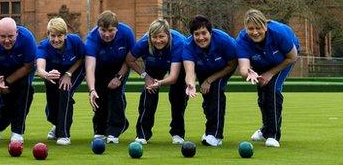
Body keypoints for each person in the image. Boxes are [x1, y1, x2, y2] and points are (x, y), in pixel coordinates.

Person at [236, 9, 299, 148]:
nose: (255, 32)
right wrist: (249, 73)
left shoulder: (279, 33)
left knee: (272, 91)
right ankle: (265, 129)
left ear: (265, 26)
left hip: (284, 59)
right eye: (250, 29)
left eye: (258, 28)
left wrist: (270, 73)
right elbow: (243, 69)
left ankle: (273, 135)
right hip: (261, 61)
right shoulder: (242, 40)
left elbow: (292, 57)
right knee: (262, 96)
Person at [126, 19, 188, 145]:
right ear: (149, 37)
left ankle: (177, 133)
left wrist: (159, 83)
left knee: (178, 98)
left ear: (168, 35)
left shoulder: (179, 43)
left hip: (178, 68)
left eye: (162, 37)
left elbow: (173, 76)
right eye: (154, 37)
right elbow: (130, 59)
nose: (158, 41)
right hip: (153, 66)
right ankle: (142, 134)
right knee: (148, 96)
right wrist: (145, 76)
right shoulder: (143, 43)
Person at [183, 15, 238, 147]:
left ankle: (216, 135)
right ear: (192, 35)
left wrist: (209, 80)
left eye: (204, 33)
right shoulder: (188, 45)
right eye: (197, 34)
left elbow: (232, 65)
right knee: (207, 103)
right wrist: (190, 84)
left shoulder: (224, 40)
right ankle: (210, 131)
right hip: (203, 70)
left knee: (216, 93)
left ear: (210, 32)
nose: (201, 38)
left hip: (223, 69)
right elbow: (190, 71)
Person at [85, 10, 135, 144]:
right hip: (99, 68)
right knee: (100, 96)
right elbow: (89, 67)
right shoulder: (92, 39)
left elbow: (130, 59)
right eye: (103, 30)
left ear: (117, 29)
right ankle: (100, 130)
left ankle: (114, 130)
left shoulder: (127, 33)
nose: (107, 34)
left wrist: (118, 77)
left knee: (115, 93)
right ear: (98, 28)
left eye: (111, 30)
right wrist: (92, 90)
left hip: (120, 67)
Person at [0, 17, 36, 143]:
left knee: (25, 95)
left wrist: (9, 81)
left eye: (11, 36)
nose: (7, 40)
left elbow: (28, 66)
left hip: (22, 71)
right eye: (2, 37)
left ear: (17, 33)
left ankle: (17, 132)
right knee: (7, 102)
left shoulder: (27, 38)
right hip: (0, 73)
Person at [36, 17, 85, 146]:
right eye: (53, 36)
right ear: (48, 35)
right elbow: (40, 69)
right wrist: (47, 75)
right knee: (52, 108)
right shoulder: (43, 46)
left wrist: (69, 74)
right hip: (52, 75)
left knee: (65, 92)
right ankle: (56, 124)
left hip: (74, 72)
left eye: (60, 35)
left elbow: (82, 58)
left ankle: (64, 134)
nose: (56, 39)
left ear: (65, 35)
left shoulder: (75, 41)